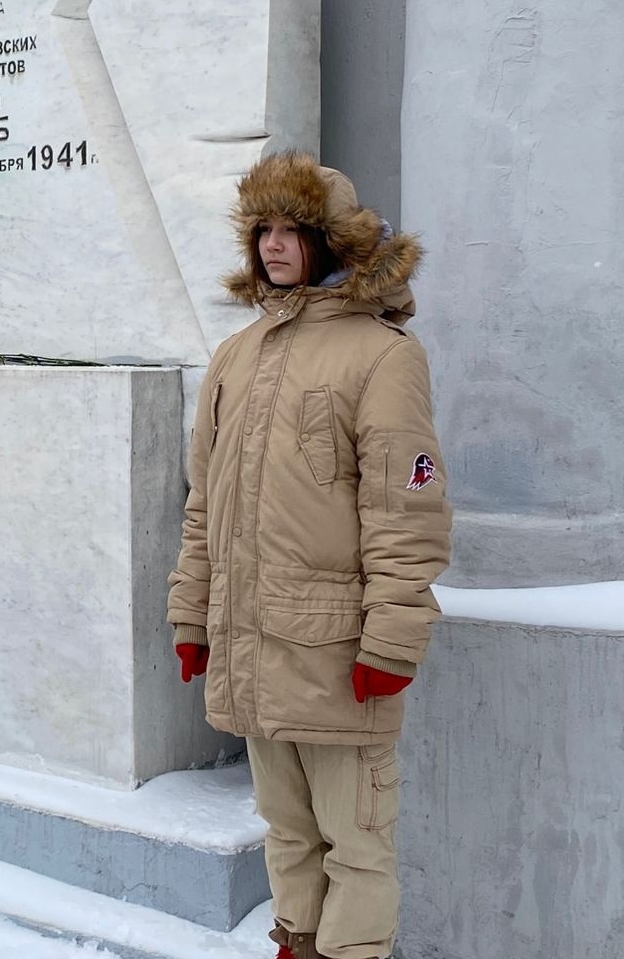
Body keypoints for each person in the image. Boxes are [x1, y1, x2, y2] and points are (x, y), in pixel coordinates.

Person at [167, 152, 451, 959]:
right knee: (286, 833)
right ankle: (296, 943)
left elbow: (406, 512)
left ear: (334, 242)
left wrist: (391, 642)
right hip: (252, 645)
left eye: (295, 230)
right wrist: (193, 612)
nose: (275, 246)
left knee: (358, 843)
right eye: (264, 230)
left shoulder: (382, 355)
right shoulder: (235, 357)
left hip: (337, 653)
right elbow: (204, 504)